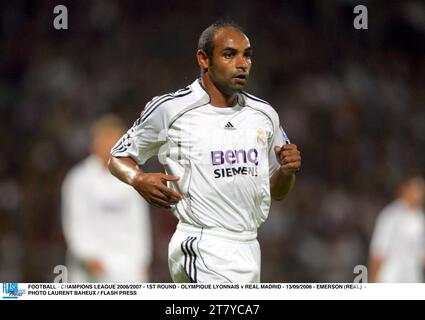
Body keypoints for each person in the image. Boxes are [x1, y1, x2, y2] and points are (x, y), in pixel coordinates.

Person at [109, 20, 301, 283]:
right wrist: (138, 178)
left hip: (248, 246)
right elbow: (118, 155)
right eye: (229, 54)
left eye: (247, 55)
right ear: (204, 59)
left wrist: (287, 172)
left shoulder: (264, 115)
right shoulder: (172, 109)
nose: (242, 63)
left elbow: (276, 192)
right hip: (201, 243)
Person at [62, 114, 152, 282]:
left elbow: (139, 221)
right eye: (107, 139)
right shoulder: (79, 179)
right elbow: (75, 222)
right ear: (95, 144)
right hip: (92, 265)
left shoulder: (133, 177)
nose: (112, 145)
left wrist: (142, 260)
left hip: (127, 264)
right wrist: (87, 255)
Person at [369, 175, 425, 282]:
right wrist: (372, 281)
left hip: (412, 278)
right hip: (390, 277)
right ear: (405, 190)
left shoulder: (420, 217)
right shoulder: (390, 215)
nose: (418, 195)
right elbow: (378, 251)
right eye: (415, 190)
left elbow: (422, 254)